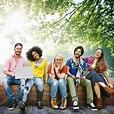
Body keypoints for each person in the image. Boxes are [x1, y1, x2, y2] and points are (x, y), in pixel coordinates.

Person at [66, 46, 97, 111]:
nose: (77, 52)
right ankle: (75, 100)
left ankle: (90, 102)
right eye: (77, 51)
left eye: (79, 52)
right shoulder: (69, 61)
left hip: (79, 78)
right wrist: (72, 76)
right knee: (69, 79)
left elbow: (84, 72)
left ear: (81, 54)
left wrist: (83, 76)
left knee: (88, 82)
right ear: (74, 52)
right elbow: (67, 71)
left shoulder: (83, 63)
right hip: (71, 77)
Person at [18, 46, 47, 111]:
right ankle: (23, 103)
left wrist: (45, 81)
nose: (35, 55)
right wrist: (25, 76)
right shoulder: (31, 62)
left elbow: (45, 71)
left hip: (38, 78)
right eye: (33, 55)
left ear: (39, 52)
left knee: (40, 85)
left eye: (36, 53)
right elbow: (29, 70)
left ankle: (39, 102)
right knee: (27, 87)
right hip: (31, 78)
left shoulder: (44, 60)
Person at [2, 43, 27, 110]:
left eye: (20, 49)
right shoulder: (9, 58)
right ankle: (12, 100)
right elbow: (5, 71)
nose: (18, 50)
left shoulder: (23, 59)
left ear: (22, 50)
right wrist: (12, 74)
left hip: (19, 77)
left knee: (23, 82)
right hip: (10, 76)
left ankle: (18, 101)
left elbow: (24, 71)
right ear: (14, 49)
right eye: (17, 48)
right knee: (4, 81)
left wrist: (24, 76)